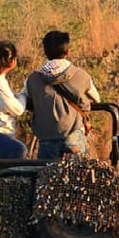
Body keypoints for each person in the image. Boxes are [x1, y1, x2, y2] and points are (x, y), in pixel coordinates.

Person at [25, 30, 100, 160]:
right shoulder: (81, 75)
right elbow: (97, 98)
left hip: (47, 136)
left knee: (48, 176)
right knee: (76, 175)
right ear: (67, 52)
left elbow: (25, 100)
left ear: (45, 52)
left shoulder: (33, 79)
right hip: (74, 133)